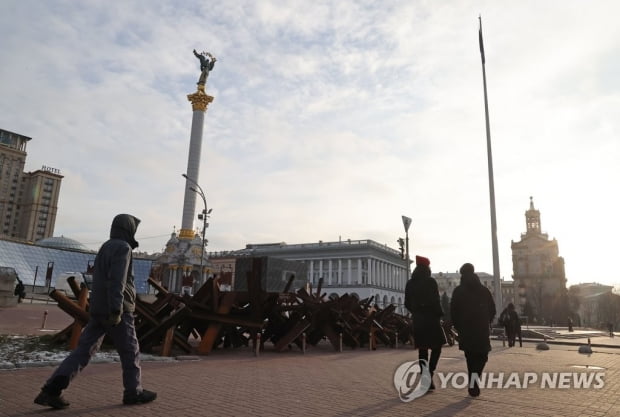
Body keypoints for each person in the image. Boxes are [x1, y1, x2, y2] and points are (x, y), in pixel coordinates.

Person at [34, 214, 157, 409]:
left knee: (83, 351)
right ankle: (134, 391)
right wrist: (117, 309)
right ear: (128, 229)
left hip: (98, 308)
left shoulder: (106, 246)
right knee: (130, 351)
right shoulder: (123, 248)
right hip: (117, 310)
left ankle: (51, 390)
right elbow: (117, 281)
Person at [450, 263, 496, 397]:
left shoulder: (458, 291)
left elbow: (453, 311)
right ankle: (474, 382)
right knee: (483, 356)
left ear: (462, 274)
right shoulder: (484, 290)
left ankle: (473, 382)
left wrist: (459, 326)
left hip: (466, 329)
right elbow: (492, 309)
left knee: (470, 357)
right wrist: (487, 321)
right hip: (481, 328)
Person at [404, 255, 445, 391]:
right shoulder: (431, 282)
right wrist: (439, 314)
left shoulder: (410, 283)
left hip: (419, 320)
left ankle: (425, 377)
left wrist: (416, 312)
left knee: (423, 350)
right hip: (432, 319)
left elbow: (407, 303)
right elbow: (436, 300)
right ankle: (429, 374)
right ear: (427, 268)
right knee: (437, 347)